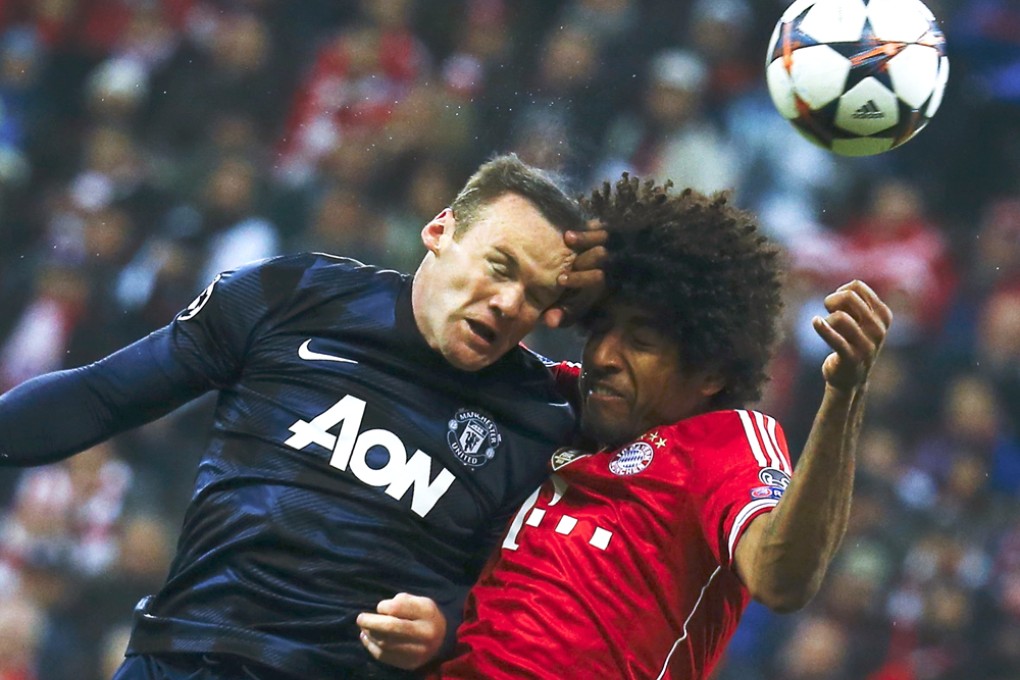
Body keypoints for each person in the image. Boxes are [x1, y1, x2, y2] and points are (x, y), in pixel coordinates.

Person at [0, 154, 608, 679]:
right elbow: (101, 395)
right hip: (180, 657)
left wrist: (445, 628)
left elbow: (517, 601)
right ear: (439, 230)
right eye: (500, 267)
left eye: (536, 294)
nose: (509, 303)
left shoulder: (540, 422)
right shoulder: (292, 297)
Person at [403, 176, 892, 679]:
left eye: (640, 341)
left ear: (711, 372)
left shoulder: (724, 443)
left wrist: (843, 397)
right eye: (600, 329)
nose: (604, 356)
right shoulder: (552, 405)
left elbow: (782, 579)